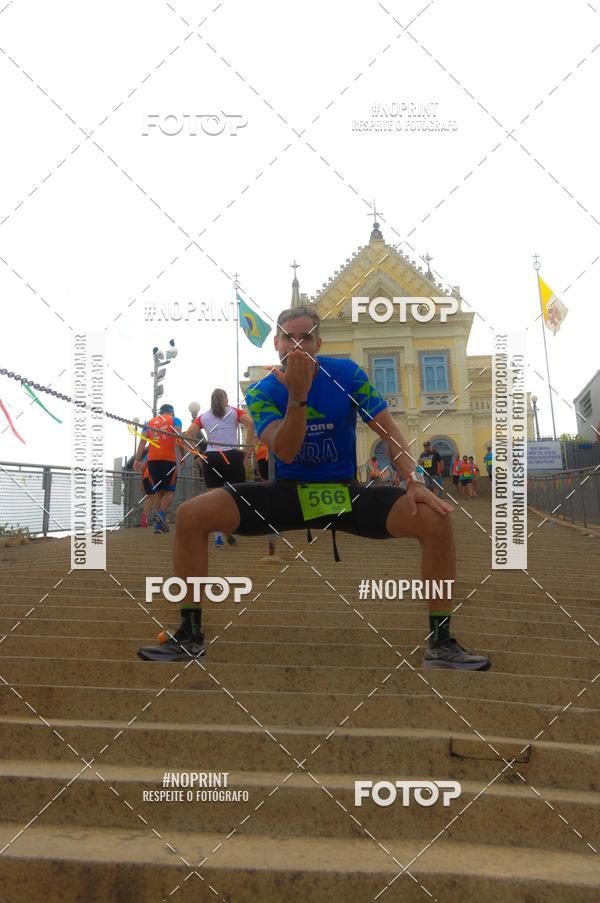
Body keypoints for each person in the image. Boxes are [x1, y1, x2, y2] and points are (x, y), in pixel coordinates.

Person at [138, 305, 490, 672]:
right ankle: (190, 633)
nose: (297, 344)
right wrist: (298, 395)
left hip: (344, 493)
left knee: (435, 520)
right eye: (289, 337)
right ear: (276, 343)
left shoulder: (347, 374)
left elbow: (388, 432)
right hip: (288, 494)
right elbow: (286, 449)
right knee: (190, 515)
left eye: (306, 337)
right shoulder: (262, 391)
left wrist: (412, 481)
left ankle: (442, 642)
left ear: (319, 342)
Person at [183, 389, 256, 548]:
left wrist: (197, 456)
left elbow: (188, 435)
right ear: (226, 399)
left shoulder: (204, 417)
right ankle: (232, 527)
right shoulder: (235, 411)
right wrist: (248, 450)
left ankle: (217, 536)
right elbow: (251, 424)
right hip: (231, 455)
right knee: (235, 495)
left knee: (213, 497)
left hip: (211, 457)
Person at [134, 404, 182, 533]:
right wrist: (182, 456)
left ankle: (158, 526)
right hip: (168, 459)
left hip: (152, 461)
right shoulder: (175, 420)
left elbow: (142, 442)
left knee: (159, 492)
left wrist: (137, 460)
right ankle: (160, 515)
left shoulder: (149, 423)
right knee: (170, 491)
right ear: (171, 412)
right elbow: (179, 440)